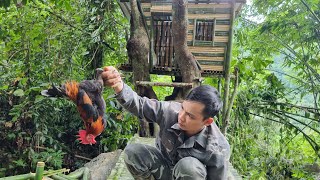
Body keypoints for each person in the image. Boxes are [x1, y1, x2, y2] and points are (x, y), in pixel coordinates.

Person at [102, 66, 230, 180]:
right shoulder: (170, 111)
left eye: (190, 116)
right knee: (133, 151)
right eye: (183, 108)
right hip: (165, 169)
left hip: (190, 175)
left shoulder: (218, 147)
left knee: (188, 167)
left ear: (207, 121)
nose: (181, 117)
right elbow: (140, 105)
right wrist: (118, 85)